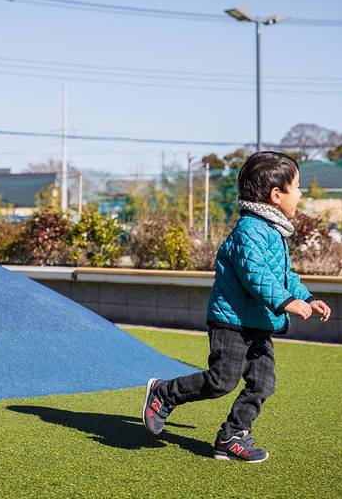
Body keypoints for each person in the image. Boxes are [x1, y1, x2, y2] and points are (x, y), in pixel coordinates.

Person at [142, 151, 331, 463]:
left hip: (258, 323)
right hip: (232, 321)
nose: (301, 193)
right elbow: (255, 274)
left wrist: (307, 297)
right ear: (276, 195)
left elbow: (285, 275)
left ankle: (232, 435)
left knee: (263, 383)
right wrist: (286, 302)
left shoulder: (274, 231)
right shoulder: (250, 230)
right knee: (222, 381)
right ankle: (164, 393)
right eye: (297, 187)